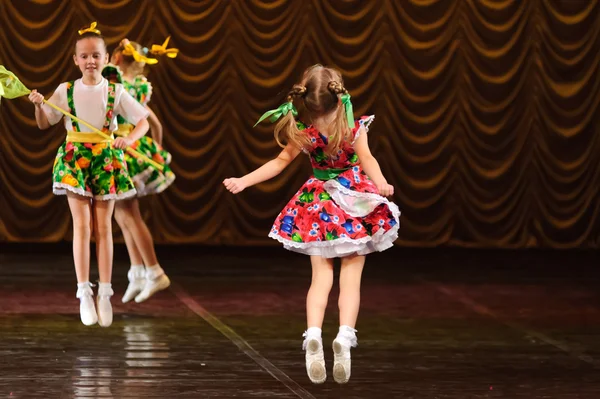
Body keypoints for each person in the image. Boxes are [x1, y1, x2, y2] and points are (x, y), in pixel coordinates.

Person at [223, 65, 400, 384]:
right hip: (354, 202)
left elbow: (278, 163)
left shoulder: (304, 133)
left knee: (320, 276)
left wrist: (243, 180)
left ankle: (314, 334)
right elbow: (369, 160)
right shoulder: (353, 128)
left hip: (319, 206)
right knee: (351, 274)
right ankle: (344, 336)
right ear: (338, 92)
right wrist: (382, 183)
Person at [27, 22, 150, 327]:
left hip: (105, 158)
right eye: (84, 56)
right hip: (74, 158)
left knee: (103, 228)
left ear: (106, 58)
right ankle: (84, 291)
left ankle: (105, 292)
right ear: (76, 60)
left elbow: (143, 121)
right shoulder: (65, 90)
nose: (90, 61)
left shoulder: (116, 91)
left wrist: (129, 139)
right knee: (82, 227)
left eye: (96, 55)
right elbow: (45, 124)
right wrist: (39, 107)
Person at [102, 38, 174, 304]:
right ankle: (137, 271)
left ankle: (154, 270)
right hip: (131, 148)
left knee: (129, 214)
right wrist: (156, 148)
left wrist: (150, 149)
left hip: (126, 149)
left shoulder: (116, 82)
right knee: (122, 213)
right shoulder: (138, 85)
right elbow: (154, 122)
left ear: (117, 58)